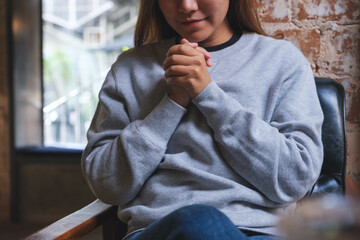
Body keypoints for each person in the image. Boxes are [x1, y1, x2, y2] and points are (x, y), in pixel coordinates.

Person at [81, 0, 324, 239]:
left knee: (205, 224)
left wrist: (207, 94)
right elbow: (107, 185)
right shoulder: (129, 69)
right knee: (199, 222)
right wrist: (173, 101)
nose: (186, 6)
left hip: (260, 233)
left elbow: (295, 178)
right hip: (160, 231)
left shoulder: (282, 62)